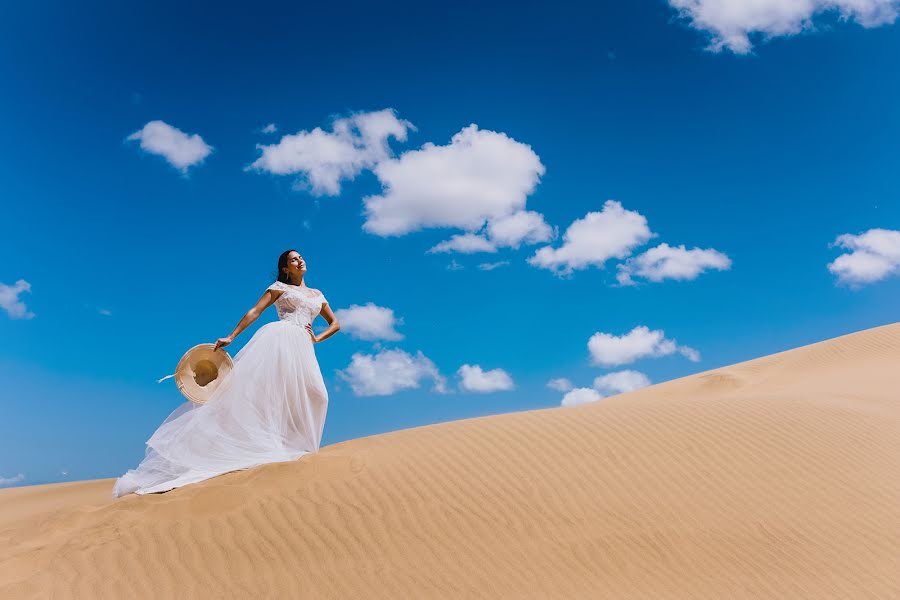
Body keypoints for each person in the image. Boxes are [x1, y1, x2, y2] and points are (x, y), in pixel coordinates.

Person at [113, 249, 340, 498]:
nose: (300, 261)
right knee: (273, 394)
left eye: (300, 257)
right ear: (285, 269)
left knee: (318, 395)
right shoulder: (279, 287)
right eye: (293, 259)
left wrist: (317, 338)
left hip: (303, 346)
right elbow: (255, 311)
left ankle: (300, 447)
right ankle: (282, 447)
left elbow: (335, 323)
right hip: (279, 338)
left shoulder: (317, 294)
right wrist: (231, 336)